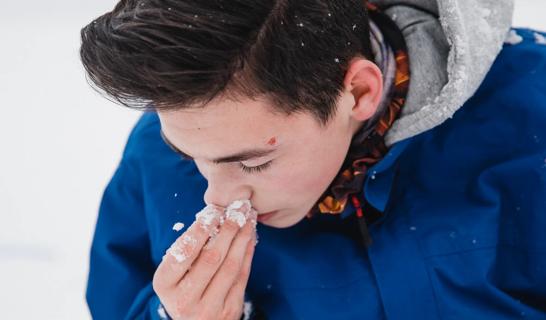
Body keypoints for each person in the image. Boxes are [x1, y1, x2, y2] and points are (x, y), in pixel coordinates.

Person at [80, 0, 546, 319]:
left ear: (359, 92)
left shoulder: (533, 115)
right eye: (189, 157)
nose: (215, 196)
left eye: (255, 163)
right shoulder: (156, 153)